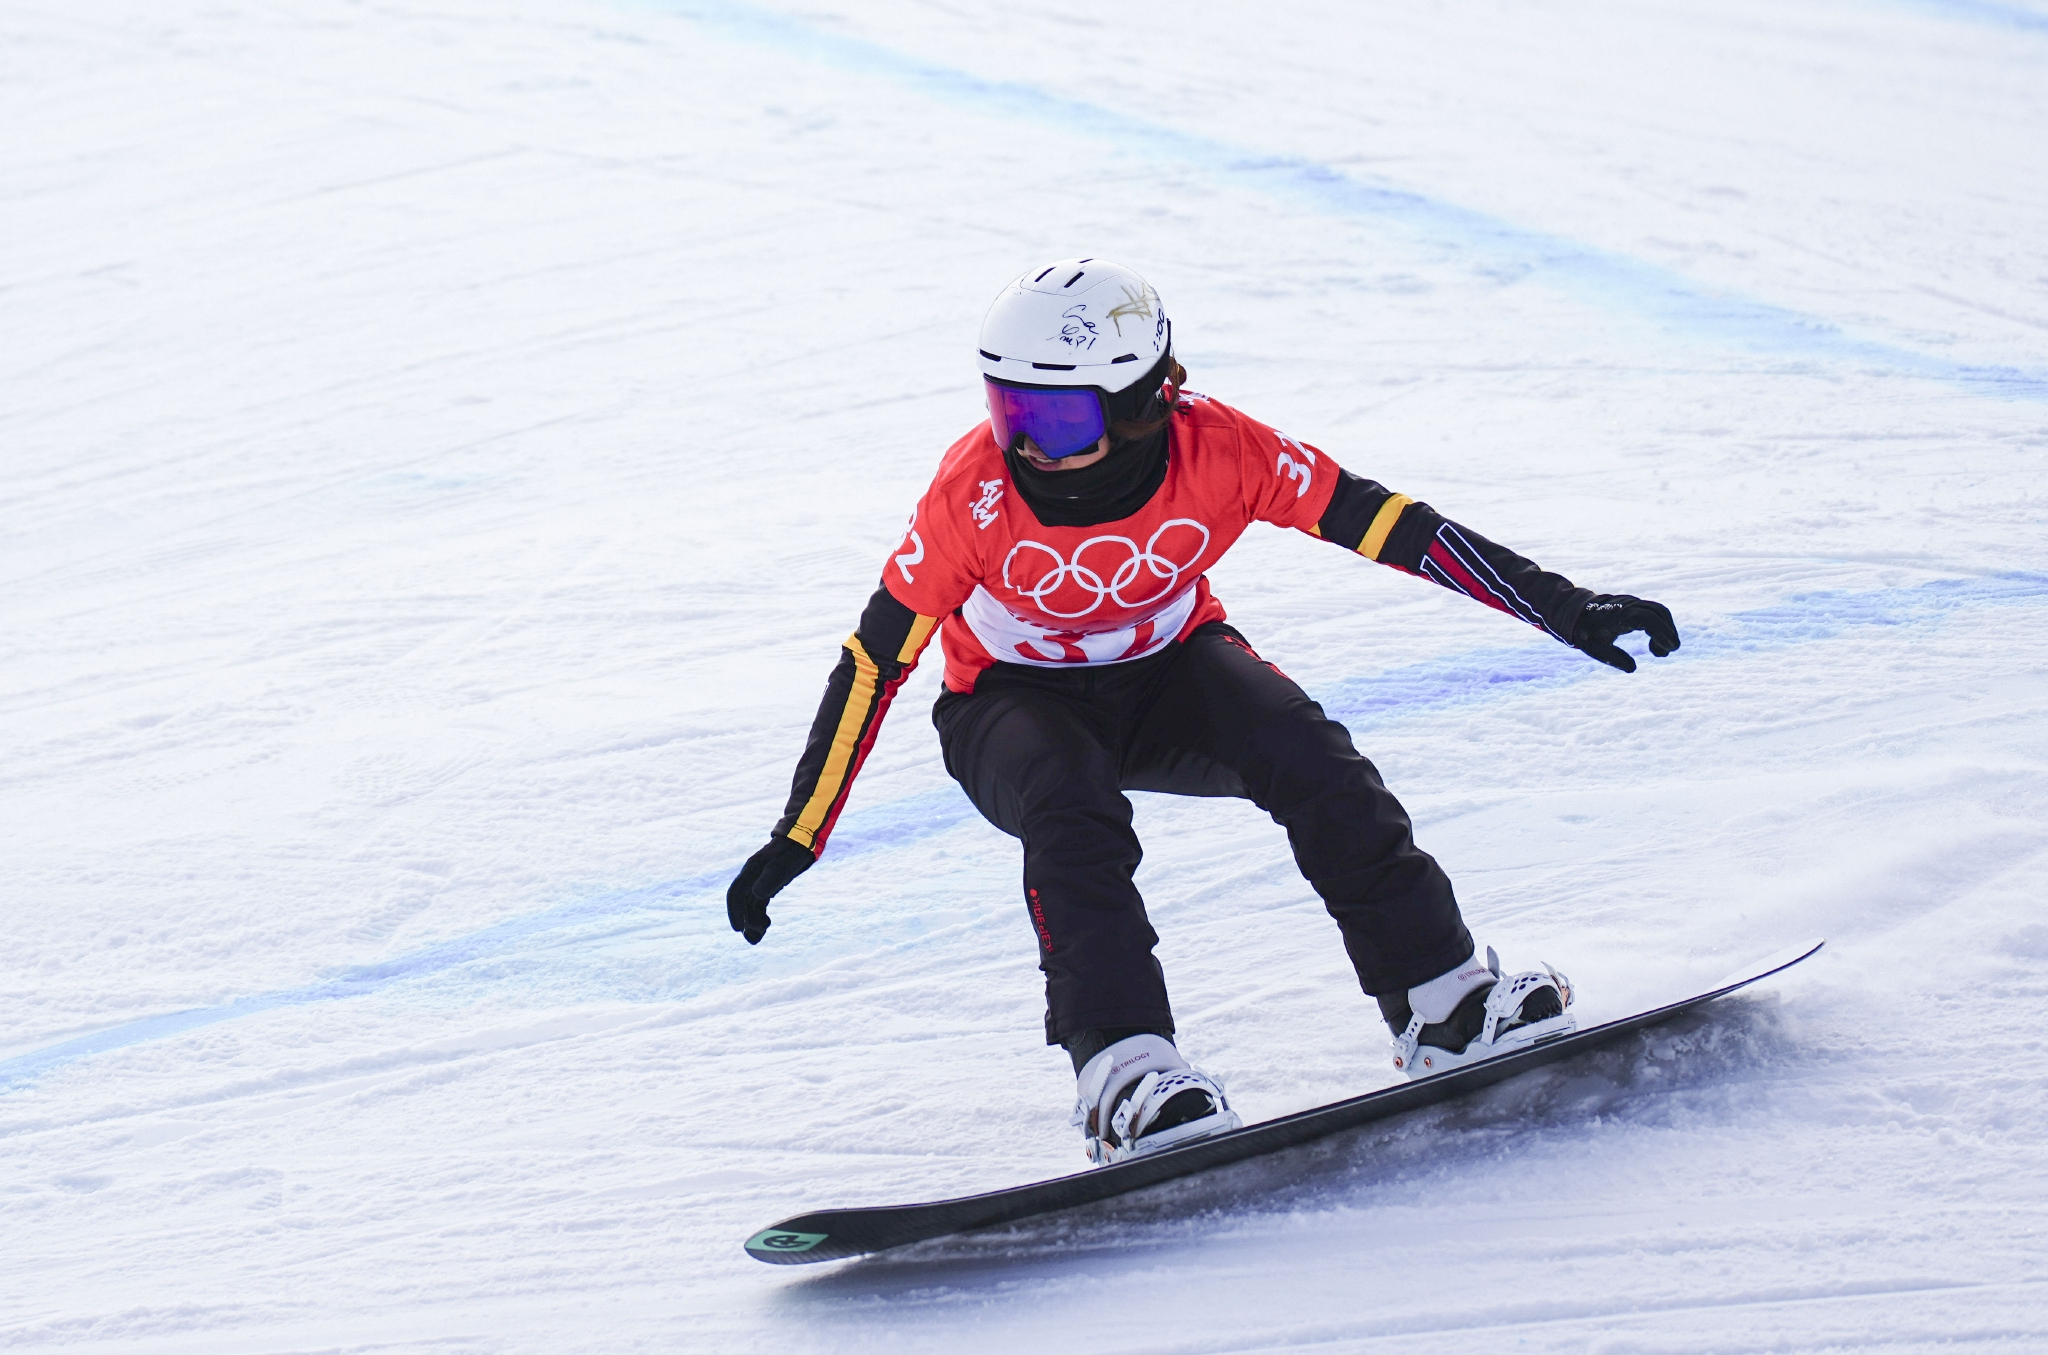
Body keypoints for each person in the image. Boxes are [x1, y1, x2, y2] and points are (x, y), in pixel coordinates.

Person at [727, 258, 1680, 1165]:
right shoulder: (970, 495)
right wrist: (800, 835)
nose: (1024, 444)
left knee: (1305, 750)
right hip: (1006, 702)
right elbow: (874, 660)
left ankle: (1441, 999)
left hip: (1170, 667)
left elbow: (1392, 525)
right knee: (1069, 803)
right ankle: (1124, 1071)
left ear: (1145, 400)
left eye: (1054, 419)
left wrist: (1561, 602)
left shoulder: (1219, 448)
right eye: (1008, 408)